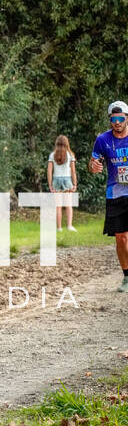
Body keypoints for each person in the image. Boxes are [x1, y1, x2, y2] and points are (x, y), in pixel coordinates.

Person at [89, 100, 128, 293]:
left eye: (120, 119)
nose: (117, 123)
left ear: (127, 118)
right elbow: (93, 163)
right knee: (121, 238)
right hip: (116, 193)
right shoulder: (102, 140)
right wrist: (94, 166)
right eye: (114, 119)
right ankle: (127, 277)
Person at [47, 135, 77, 232]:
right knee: (68, 205)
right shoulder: (70, 155)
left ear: (56, 143)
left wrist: (50, 185)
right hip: (67, 180)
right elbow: (73, 171)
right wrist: (75, 184)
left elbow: (49, 171)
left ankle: (59, 228)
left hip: (56, 180)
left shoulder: (52, 155)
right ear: (67, 143)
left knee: (58, 206)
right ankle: (69, 226)